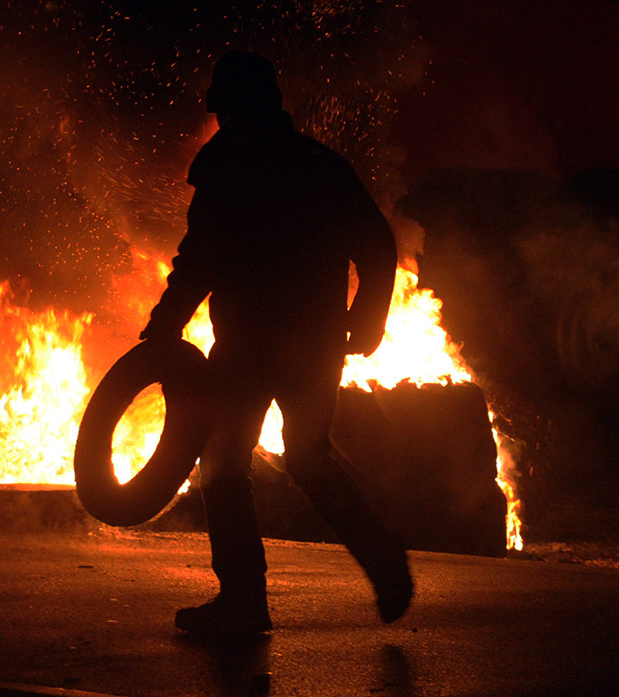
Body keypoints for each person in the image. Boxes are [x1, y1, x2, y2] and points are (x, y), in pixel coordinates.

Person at [140, 50, 411, 636]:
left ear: (230, 108)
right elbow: (376, 242)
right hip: (315, 340)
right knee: (309, 454)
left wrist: (165, 325)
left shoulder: (227, 165)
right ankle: (384, 558)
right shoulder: (319, 162)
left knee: (222, 462)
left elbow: (200, 259)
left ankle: (243, 600)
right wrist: (368, 315)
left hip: (249, 344)